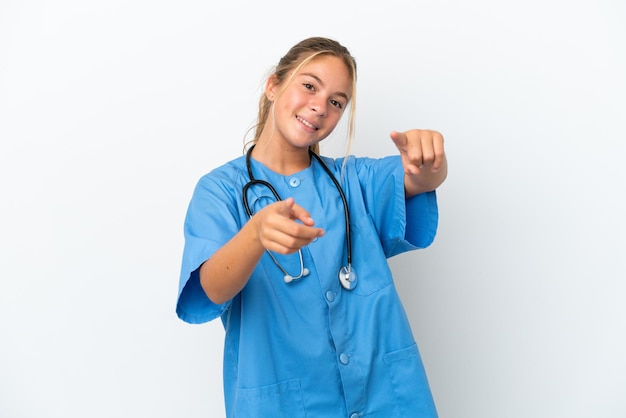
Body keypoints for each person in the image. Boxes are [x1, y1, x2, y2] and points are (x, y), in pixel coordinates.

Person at [176, 36, 447, 418]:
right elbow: (209, 291)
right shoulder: (220, 191)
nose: (320, 106)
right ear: (274, 85)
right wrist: (255, 235)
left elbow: (419, 178)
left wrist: (430, 160)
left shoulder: (355, 179)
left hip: (388, 399)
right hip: (287, 404)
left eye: (337, 102)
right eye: (309, 86)